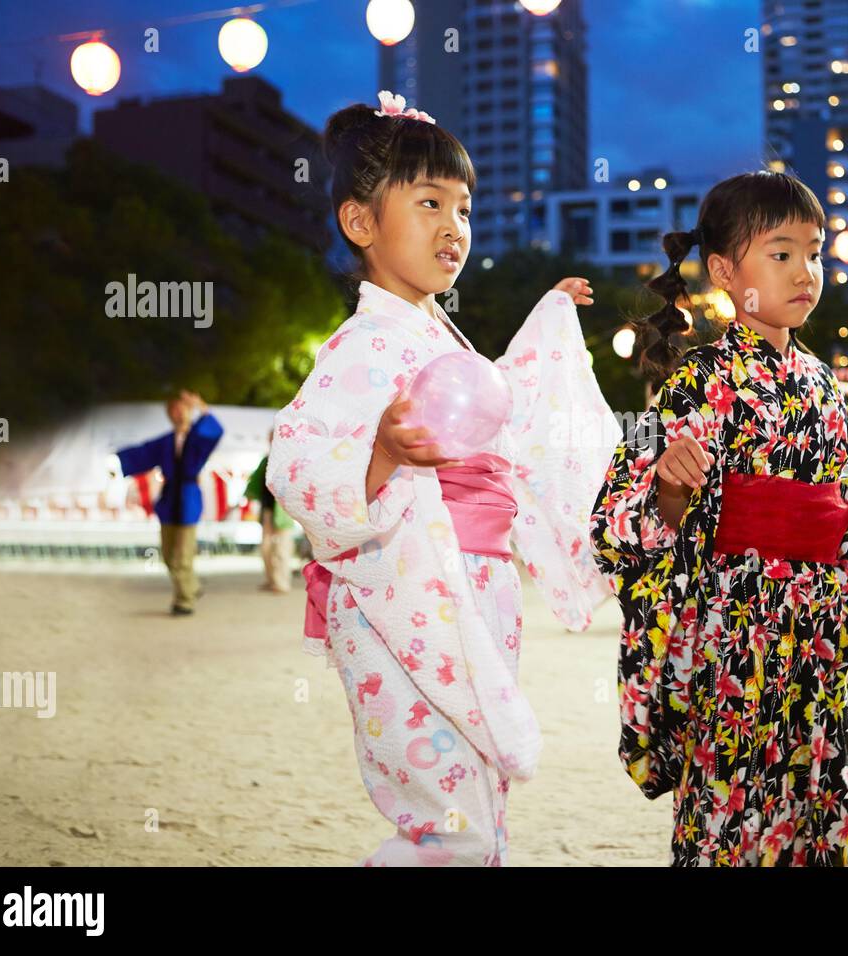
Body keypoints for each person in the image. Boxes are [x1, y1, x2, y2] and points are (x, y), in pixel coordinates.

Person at [266, 90, 618, 866]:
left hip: (473, 588)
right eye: (428, 203)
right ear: (360, 223)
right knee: (444, 818)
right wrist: (381, 456)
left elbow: (500, 402)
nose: (452, 226)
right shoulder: (361, 346)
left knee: (474, 801)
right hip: (402, 594)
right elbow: (291, 462)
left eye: (463, 207)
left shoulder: (433, 333)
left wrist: (547, 323)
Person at [589, 170, 848, 866]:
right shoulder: (694, 382)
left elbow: (832, 501)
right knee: (729, 798)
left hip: (819, 622)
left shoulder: (823, 382)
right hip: (739, 627)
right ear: (725, 271)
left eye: (814, 253)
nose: (805, 272)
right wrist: (670, 485)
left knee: (815, 786)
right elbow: (626, 520)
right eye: (781, 253)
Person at [116, 390, 224, 615]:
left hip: (188, 498)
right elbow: (142, 453)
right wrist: (115, 458)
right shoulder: (165, 441)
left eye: (180, 408)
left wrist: (201, 405)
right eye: (172, 409)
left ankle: (184, 600)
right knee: (167, 554)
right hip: (169, 499)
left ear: (188, 410)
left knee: (183, 554)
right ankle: (192, 587)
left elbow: (214, 431)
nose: (176, 413)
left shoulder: (196, 437)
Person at [245, 431, 295, 593]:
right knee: (266, 547)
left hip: (284, 511)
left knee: (281, 548)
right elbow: (254, 485)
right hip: (267, 510)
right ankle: (271, 579)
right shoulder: (266, 460)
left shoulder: (289, 461)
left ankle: (281, 583)